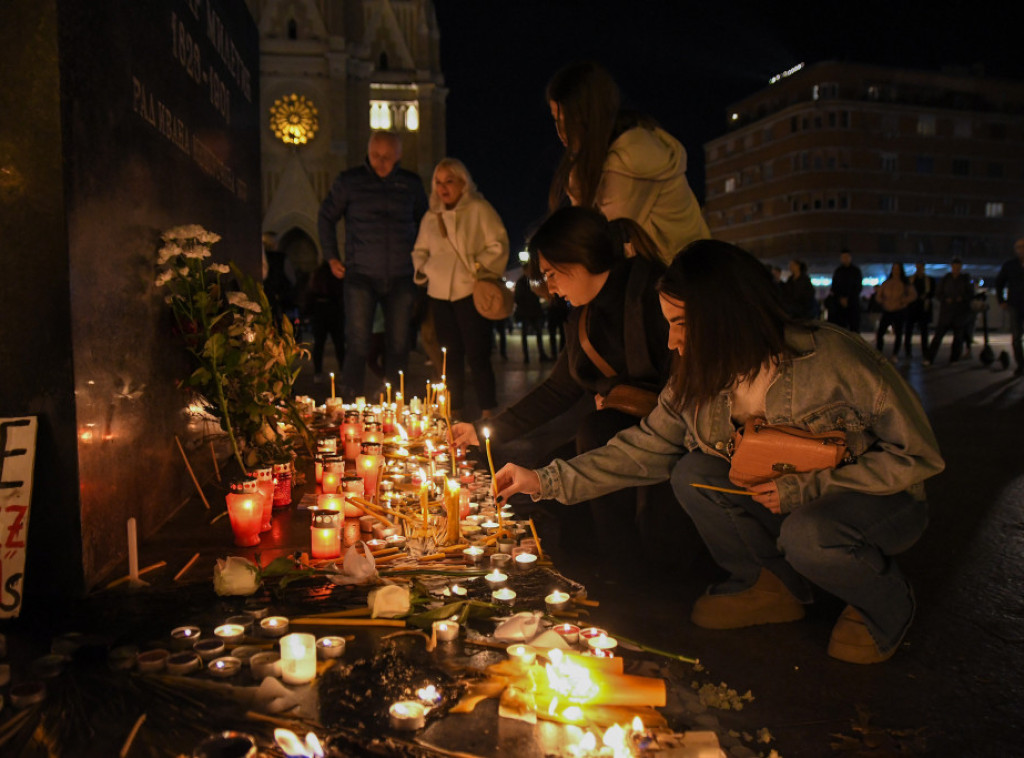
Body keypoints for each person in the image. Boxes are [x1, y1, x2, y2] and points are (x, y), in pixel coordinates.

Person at [493, 239, 944, 664]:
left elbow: (917, 458)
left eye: (682, 323)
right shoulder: (699, 376)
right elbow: (644, 448)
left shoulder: (832, 360)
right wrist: (543, 480)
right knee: (692, 471)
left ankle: (885, 601)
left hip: (879, 500)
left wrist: (811, 486)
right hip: (787, 499)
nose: (671, 342)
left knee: (809, 534)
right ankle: (768, 584)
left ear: (728, 314)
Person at [452, 206, 674, 558]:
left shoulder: (654, 292)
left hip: (672, 427)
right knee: (547, 477)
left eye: (552, 274)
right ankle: (588, 569)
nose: (551, 288)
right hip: (623, 424)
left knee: (595, 433)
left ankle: (625, 565)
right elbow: (559, 389)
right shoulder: (584, 317)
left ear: (581, 257)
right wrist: (482, 431)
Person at [546, 61, 710, 264]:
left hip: (687, 279)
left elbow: (599, 247)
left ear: (591, 116)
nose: (561, 131)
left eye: (568, 120)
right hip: (674, 274)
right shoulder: (607, 156)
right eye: (556, 120)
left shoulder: (630, 160)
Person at [317, 132, 428, 398]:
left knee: (400, 343)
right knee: (357, 342)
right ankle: (349, 403)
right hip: (361, 275)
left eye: (387, 157)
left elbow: (426, 223)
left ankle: (393, 399)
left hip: (402, 275)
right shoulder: (349, 182)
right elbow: (326, 216)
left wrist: (423, 263)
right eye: (375, 155)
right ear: (367, 152)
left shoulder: (411, 184)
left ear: (398, 155)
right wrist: (331, 256)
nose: (380, 162)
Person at [411, 158, 509, 415]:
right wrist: (426, 268)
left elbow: (498, 244)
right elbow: (419, 250)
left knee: (478, 353)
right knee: (449, 356)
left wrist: (478, 266)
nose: (443, 188)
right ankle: (454, 409)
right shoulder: (431, 217)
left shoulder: (479, 209)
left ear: (463, 182)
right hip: (440, 294)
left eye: (449, 181)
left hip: (469, 291)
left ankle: (488, 407)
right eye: (438, 182)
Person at [926, 258, 974, 365]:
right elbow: (938, 293)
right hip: (946, 312)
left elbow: (971, 294)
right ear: (952, 267)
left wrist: (962, 298)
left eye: (958, 267)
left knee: (958, 338)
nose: (956, 269)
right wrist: (945, 299)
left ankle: (954, 359)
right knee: (938, 337)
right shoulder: (946, 279)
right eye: (954, 266)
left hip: (959, 312)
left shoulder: (964, 279)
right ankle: (929, 358)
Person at [305, 259, 345, 381]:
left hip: (320, 311)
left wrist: (309, 312)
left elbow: (310, 294)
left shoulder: (317, 275)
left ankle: (318, 372)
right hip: (334, 311)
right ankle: (343, 371)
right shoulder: (335, 277)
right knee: (339, 344)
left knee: (319, 344)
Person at [994, 237, 1024, 377]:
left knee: (1017, 337)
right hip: (1015, 305)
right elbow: (999, 283)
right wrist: (1001, 300)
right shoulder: (1010, 265)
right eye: (1018, 247)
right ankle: (1021, 366)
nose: (1021, 250)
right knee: (1016, 337)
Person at [874, 263, 916, 360]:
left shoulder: (905, 284)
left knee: (898, 333)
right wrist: (882, 301)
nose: (896, 271)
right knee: (880, 332)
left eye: (897, 269)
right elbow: (878, 295)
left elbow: (913, 295)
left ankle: (895, 354)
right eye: (894, 269)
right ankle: (878, 352)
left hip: (899, 310)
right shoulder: (887, 283)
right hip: (887, 310)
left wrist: (904, 300)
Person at [514, 265, 551, 364]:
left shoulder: (533, 280)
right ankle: (527, 356)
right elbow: (517, 298)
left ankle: (540, 354)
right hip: (527, 311)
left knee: (537, 334)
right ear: (525, 270)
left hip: (533, 311)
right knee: (526, 335)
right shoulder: (522, 282)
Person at [827, 249, 863, 332]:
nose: (845, 259)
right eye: (843, 257)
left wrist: (848, 298)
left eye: (846, 257)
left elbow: (858, 287)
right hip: (839, 305)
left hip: (852, 303)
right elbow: (834, 287)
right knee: (841, 328)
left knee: (854, 328)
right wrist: (840, 298)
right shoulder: (838, 271)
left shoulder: (856, 271)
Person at [906, 262, 935, 361]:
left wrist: (926, 296)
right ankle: (908, 351)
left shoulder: (928, 280)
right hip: (912, 308)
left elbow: (932, 293)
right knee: (909, 331)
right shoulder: (911, 279)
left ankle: (925, 351)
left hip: (923, 308)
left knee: (924, 331)